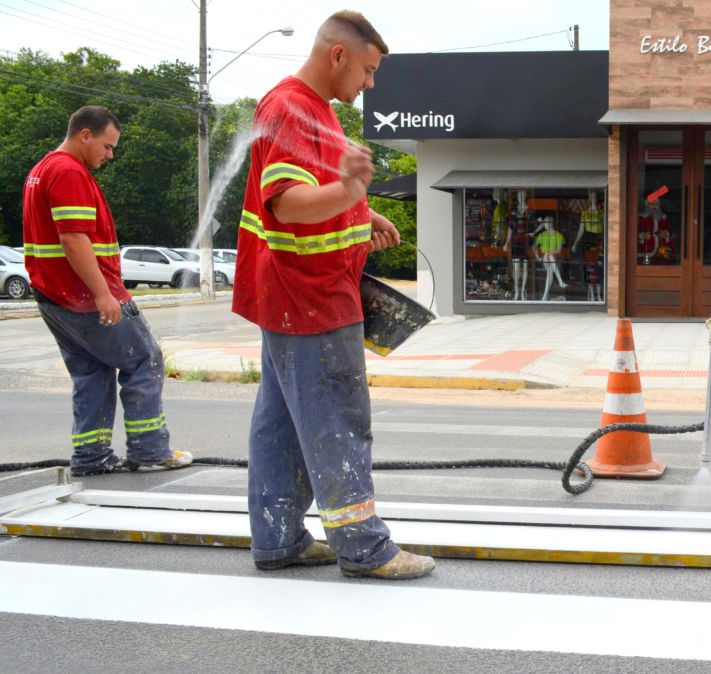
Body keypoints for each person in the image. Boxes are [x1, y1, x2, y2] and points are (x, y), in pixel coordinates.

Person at [233, 11, 435, 580]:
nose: (370, 84)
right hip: (311, 298)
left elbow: (312, 189)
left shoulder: (311, 110)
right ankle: (364, 548)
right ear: (338, 55)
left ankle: (279, 539)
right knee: (338, 420)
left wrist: (358, 208)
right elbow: (289, 203)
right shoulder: (292, 108)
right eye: (368, 70)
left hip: (295, 296)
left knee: (283, 424)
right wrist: (349, 188)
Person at [22, 105, 193, 477]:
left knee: (93, 372)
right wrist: (103, 293)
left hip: (55, 298)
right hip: (84, 297)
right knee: (144, 360)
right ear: (85, 134)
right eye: (107, 145)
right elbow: (73, 237)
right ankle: (149, 451)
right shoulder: (68, 172)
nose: (110, 154)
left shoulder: (42, 170)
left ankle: (91, 457)